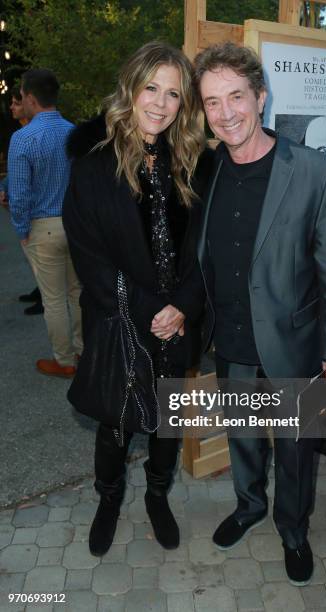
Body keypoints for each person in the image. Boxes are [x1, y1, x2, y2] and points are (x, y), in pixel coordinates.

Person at [194, 42, 326, 586]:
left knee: (294, 449)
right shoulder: (205, 171)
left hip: (295, 345)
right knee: (241, 436)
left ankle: (293, 528)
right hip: (232, 340)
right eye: (212, 102)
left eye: (236, 96)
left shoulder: (313, 172)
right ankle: (248, 506)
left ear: (260, 98)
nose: (226, 113)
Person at [62, 41, 211, 556]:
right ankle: (108, 500)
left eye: (173, 93)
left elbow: (203, 251)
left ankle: (156, 496)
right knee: (116, 423)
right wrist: (152, 311)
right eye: (152, 87)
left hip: (179, 321)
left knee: (168, 421)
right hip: (119, 321)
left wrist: (185, 307)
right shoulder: (92, 166)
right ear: (130, 87)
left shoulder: (192, 162)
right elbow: (90, 259)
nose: (161, 103)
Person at [7, 69, 82, 375]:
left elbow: (19, 193)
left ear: (31, 98)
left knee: (53, 300)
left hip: (43, 226)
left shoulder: (22, 138)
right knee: (77, 293)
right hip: (75, 225)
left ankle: (64, 362)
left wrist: (22, 230)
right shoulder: (73, 132)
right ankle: (85, 353)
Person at [1, 86, 44, 315]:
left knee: (39, 257)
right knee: (34, 258)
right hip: (30, 208)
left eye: (16, 103)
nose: (12, 107)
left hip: (35, 211)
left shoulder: (27, 136)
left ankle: (45, 296)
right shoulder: (21, 133)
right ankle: (41, 289)